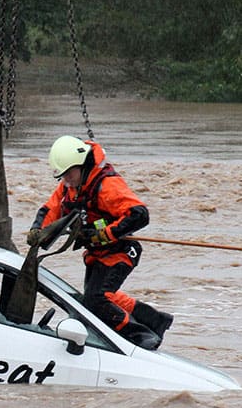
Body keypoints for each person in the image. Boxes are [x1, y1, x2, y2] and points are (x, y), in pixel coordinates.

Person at [26, 135, 173, 350]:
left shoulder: (107, 185)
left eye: (68, 174)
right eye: (62, 176)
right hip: (97, 254)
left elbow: (139, 214)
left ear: (81, 165)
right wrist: (37, 230)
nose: (66, 180)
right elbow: (50, 209)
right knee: (95, 300)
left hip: (121, 251)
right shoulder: (70, 186)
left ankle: (140, 335)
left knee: (96, 300)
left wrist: (105, 234)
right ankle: (155, 319)